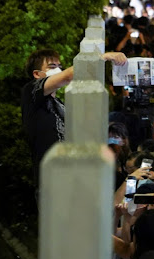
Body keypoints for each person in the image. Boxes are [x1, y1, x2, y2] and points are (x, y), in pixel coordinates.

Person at [21, 48, 127, 183]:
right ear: (37, 74)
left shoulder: (59, 104)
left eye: (60, 67)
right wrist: (103, 57)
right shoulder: (30, 91)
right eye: (52, 66)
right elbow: (68, 75)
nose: (58, 70)